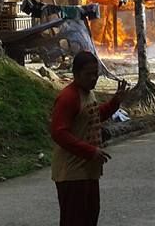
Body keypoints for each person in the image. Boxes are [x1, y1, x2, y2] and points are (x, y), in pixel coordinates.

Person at [50, 51, 128, 226]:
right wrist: (90, 151)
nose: (94, 78)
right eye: (89, 74)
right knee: (74, 221)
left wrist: (115, 102)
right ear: (76, 74)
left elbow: (93, 115)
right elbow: (58, 132)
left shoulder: (87, 92)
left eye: (96, 74)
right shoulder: (68, 97)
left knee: (90, 217)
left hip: (88, 170)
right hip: (72, 173)